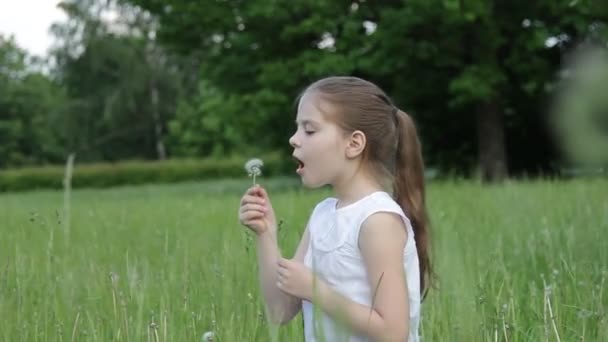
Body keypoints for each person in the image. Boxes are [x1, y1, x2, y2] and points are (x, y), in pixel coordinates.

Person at [238, 76, 432, 341]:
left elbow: (393, 332)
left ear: (353, 144)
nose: (294, 140)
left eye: (309, 130)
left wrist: (315, 290)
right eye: (297, 129)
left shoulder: (378, 220)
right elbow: (280, 311)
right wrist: (265, 234)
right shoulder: (323, 214)